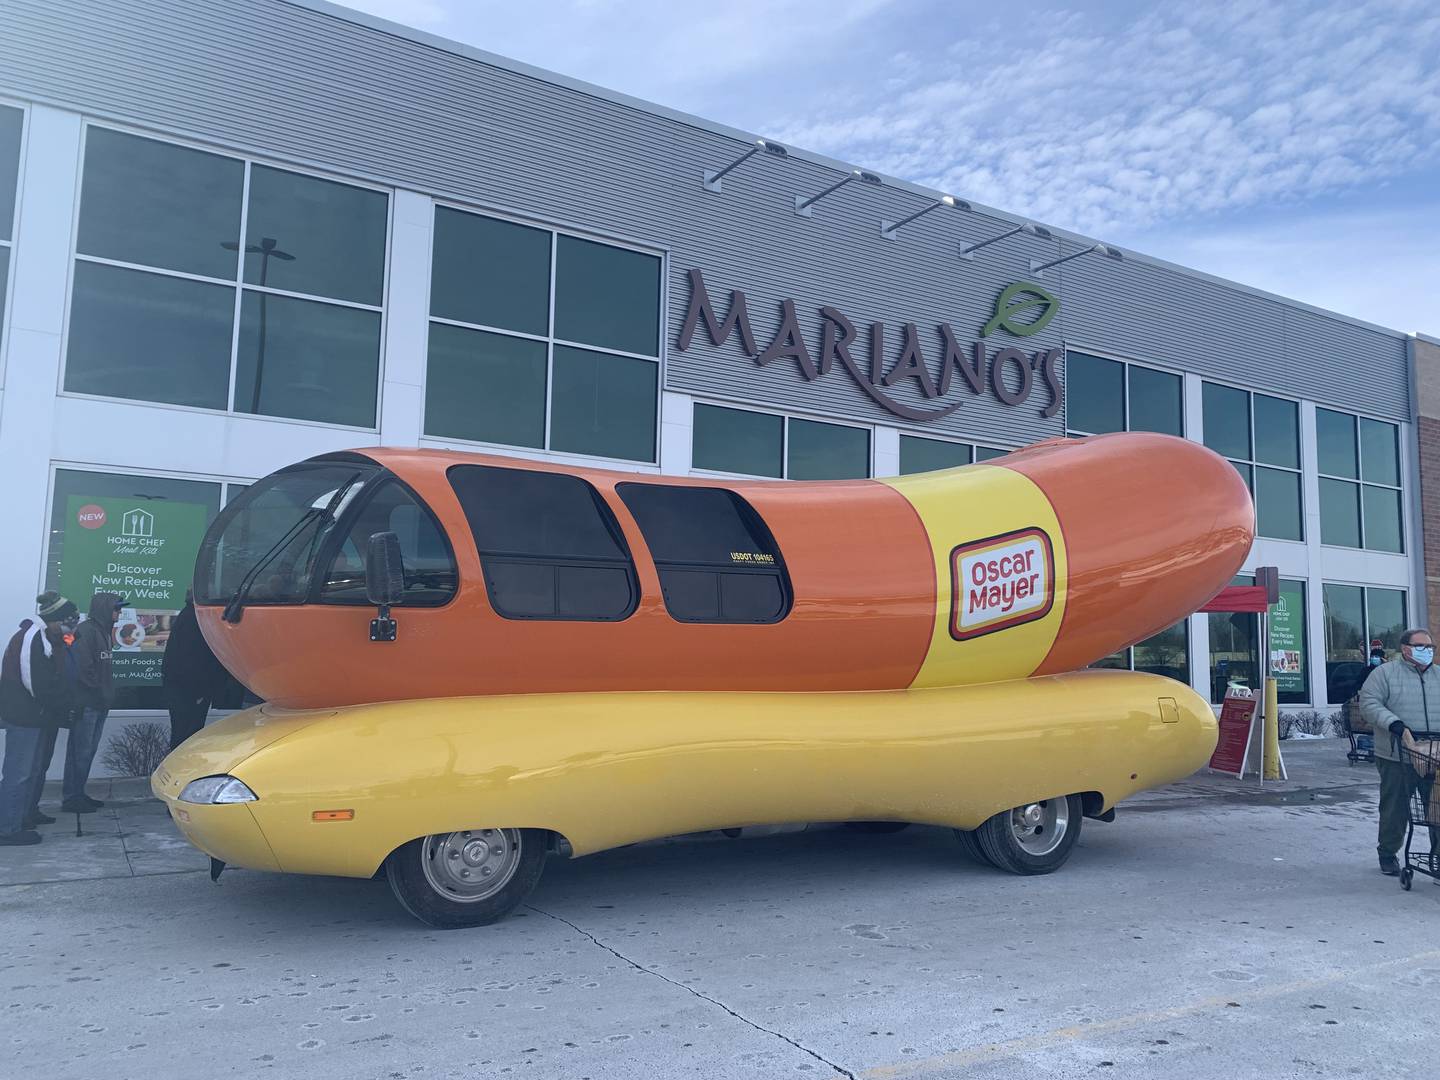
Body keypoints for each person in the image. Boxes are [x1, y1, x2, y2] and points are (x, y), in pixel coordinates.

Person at [1359, 627, 1440, 877]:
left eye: (1431, 647)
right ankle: (1388, 852)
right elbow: (1369, 703)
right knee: (1396, 806)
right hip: (1398, 754)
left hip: (1435, 755)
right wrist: (1394, 724)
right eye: (1421, 647)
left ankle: (1436, 855)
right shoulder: (1384, 674)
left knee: (1437, 808)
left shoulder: (1438, 675)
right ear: (1405, 649)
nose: (1427, 651)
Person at [0, 593, 79, 845]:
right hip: (24, 717)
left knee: (33, 770)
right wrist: (63, 706)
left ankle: (24, 816)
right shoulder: (31, 637)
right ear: (54, 619)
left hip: (40, 716)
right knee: (18, 773)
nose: (69, 628)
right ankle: (8, 828)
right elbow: (35, 683)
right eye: (67, 622)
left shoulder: (48, 637)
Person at [65, 591, 122, 814]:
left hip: (100, 702)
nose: (119, 612)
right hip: (88, 703)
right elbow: (82, 668)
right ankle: (71, 796)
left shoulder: (105, 631)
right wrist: (98, 691)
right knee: (80, 751)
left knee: (88, 751)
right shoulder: (86, 631)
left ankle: (79, 793)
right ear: (105, 609)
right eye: (116, 608)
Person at [162, 591, 230, 750]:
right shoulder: (196, 620)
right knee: (187, 734)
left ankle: (179, 767)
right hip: (191, 689)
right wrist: (201, 691)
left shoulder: (188, 616)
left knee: (182, 732)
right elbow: (195, 657)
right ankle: (181, 769)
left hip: (184, 686)